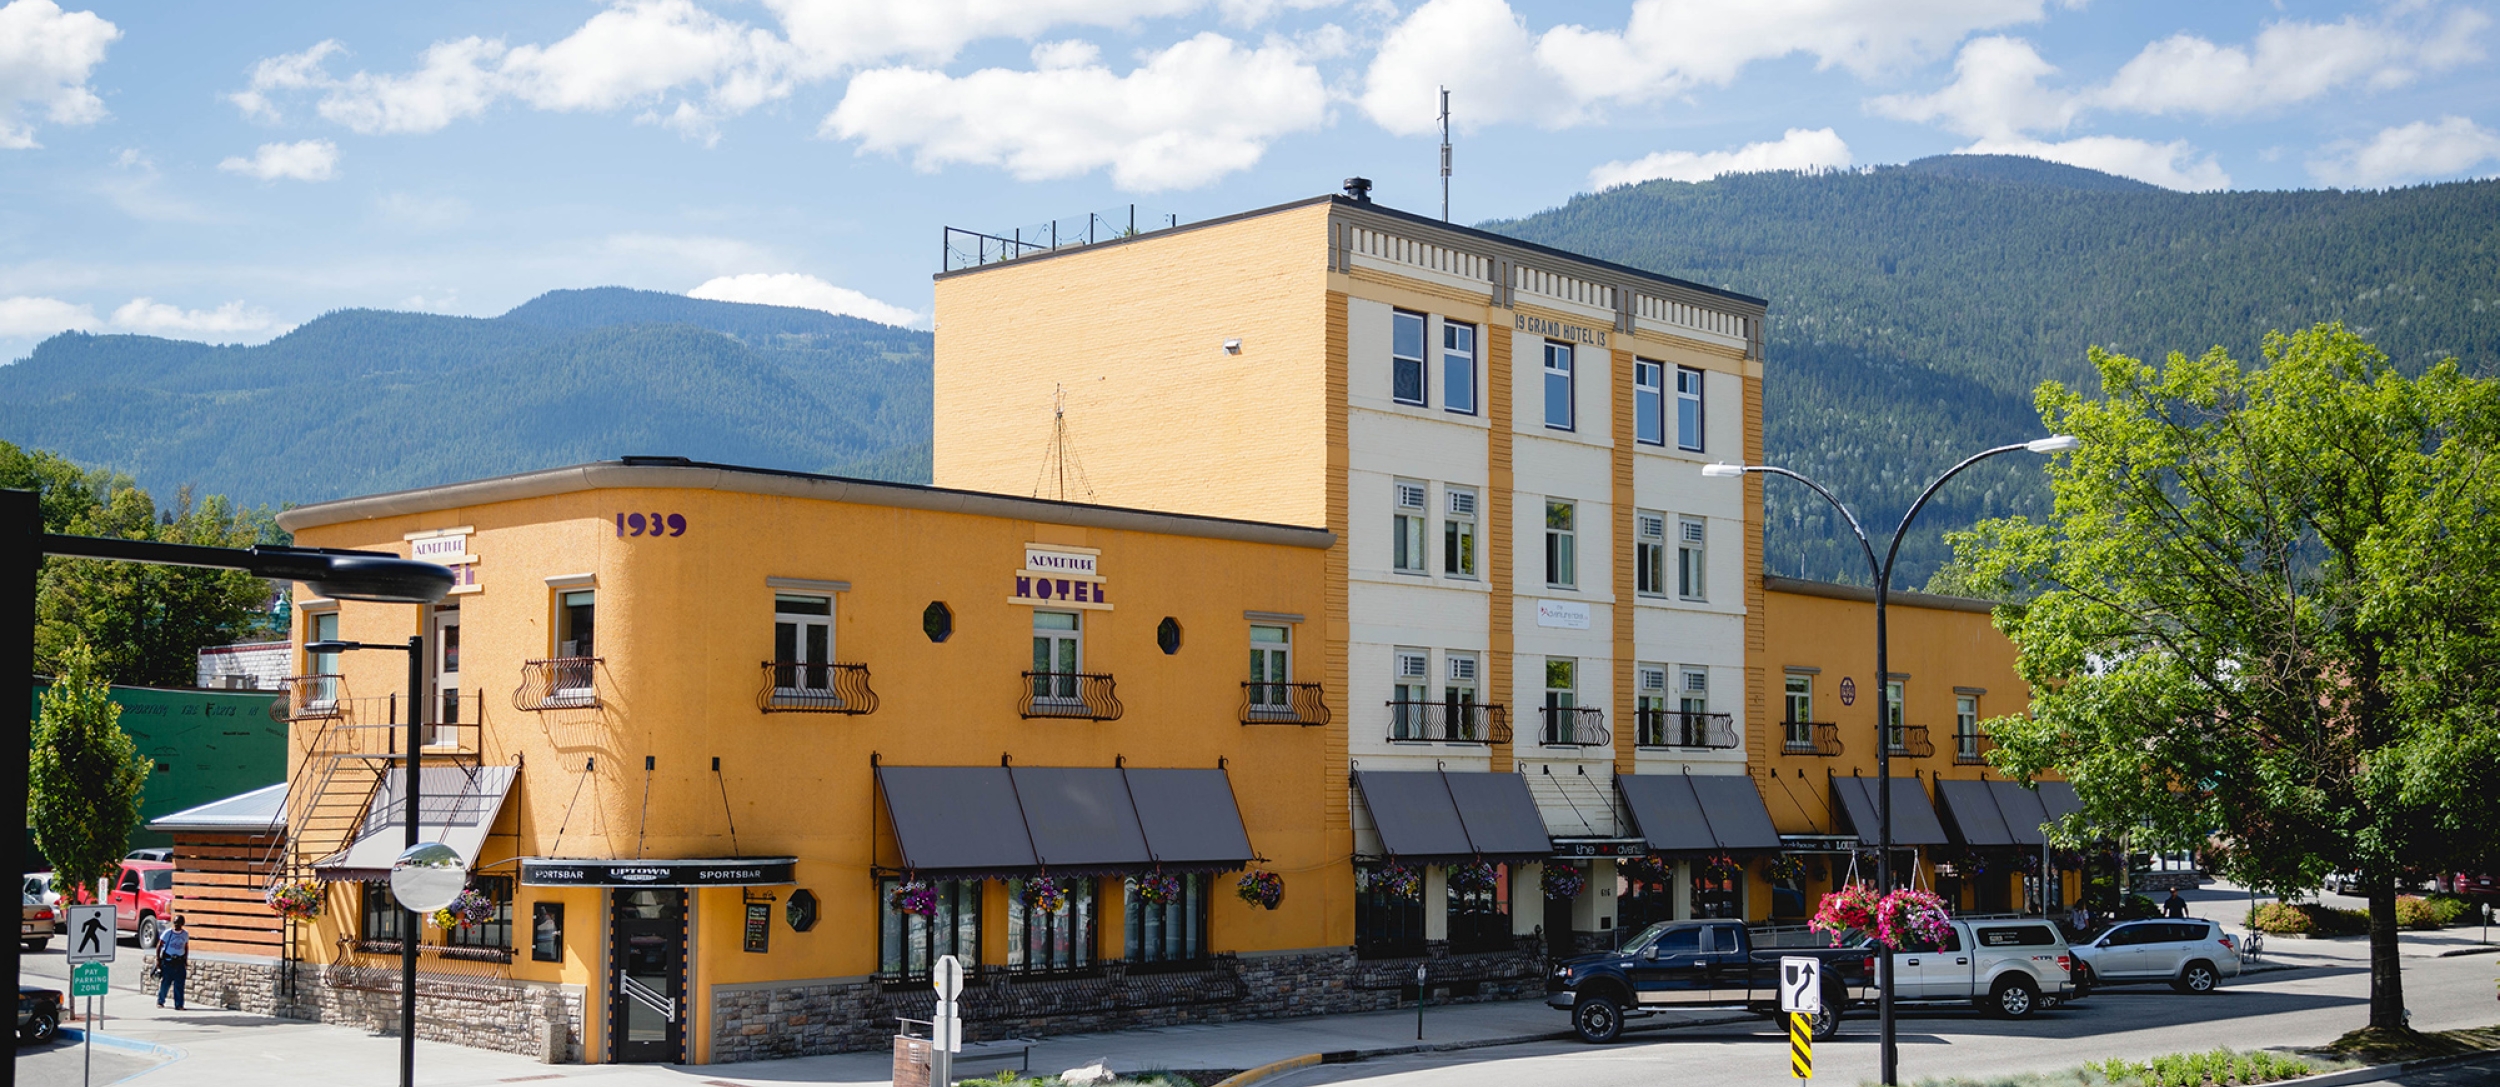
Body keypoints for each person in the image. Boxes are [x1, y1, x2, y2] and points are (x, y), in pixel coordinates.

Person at [155, 916, 189, 1010]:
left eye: (178, 923)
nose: (176, 925)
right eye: (175, 923)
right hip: (168, 961)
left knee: (179, 984)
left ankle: (179, 1005)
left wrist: (185, 959)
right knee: (166, 982)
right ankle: (160, 1001)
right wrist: (158, 960)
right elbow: (159, 945)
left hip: (179, 961)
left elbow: (186, 947)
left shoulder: (185, 934)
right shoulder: (168, 933)